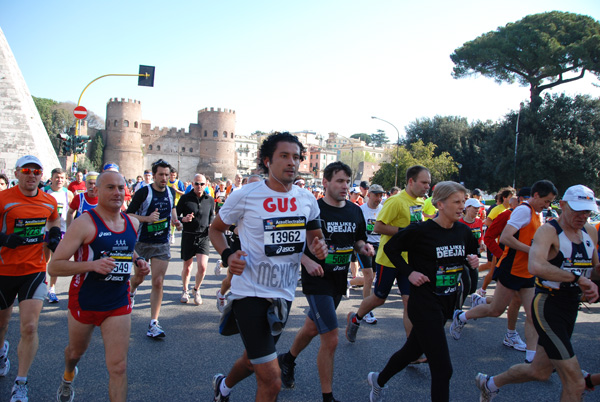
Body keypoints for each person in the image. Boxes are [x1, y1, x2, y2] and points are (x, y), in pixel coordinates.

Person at [208, 132, 327, 402]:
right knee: (272, 380)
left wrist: (320, 248)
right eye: (284, 156)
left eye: (296, 157)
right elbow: (215, 230)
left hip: (283, 295)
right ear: (267, 161)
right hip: (249, 293)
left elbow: (316, 239)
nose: (292, 163)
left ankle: (223, 386)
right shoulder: (245, 195)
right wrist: (228, 255)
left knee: (252, 361)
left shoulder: (307, 199)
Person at [476, 184, 600, 402]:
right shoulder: (549, 231)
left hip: (571, 307)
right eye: (578, 210)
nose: (583, 216)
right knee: (575, 383)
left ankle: (490, 383)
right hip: (548, 305)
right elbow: (536, 266)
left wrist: (591, 281)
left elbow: (594, 267)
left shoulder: (590, 231)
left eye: (587, 211)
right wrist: (577, 278)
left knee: (539, 371)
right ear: (562, 206)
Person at [367, 181, 479, 402]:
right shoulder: (421, 231)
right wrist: (409, 272)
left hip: (446, 302)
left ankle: (378, 380)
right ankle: (378, 381)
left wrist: (471, 260)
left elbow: (469, 255)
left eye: (463, 202)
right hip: (424, 303)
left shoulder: (463, 231)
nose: (461, 207)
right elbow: (390, 248)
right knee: (443, 369)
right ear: (440, 204)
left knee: (410, 352)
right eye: (456, 202)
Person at [49, 171, 150, 402]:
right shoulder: (84, 223)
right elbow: (55, 267)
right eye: (110, 187)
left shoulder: (132, 223)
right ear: (96, 191)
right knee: (75, 353)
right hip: (85, 300)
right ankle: (67, 376)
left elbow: (124, 247)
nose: (117, 193)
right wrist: (92, 265)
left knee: (119, 367)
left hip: (117, 301)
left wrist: (138, 261)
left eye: (120, 188)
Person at [278, 162, 373, 402]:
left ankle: (287, 359)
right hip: (317, 278)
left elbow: (358, 241)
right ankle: (327, 397)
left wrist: (365, 247)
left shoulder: (355, 210)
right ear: (326, 182)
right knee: (331, 338)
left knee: (311, 327)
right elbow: (292, 241)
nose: (345, 186)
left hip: (339, 280)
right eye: (339, 181)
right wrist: (306, 262)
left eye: (347, 182)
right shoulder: (314, 209)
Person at [450, 180, 558, 365]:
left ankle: (531, 358)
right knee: (496, 310)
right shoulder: (523, 210)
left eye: (550, 203)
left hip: (527, 271)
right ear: (536, 195)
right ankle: (462, 316)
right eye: (546, 201)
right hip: (512, 268)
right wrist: (531, 251)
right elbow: (506, 238)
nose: (547, 206)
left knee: (532, 314)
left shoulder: (537, 214)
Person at [346, 165, 430, 344]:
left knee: (409, 303)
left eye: (428, 183)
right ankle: (356, 317)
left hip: (408, 261)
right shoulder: (395, 201)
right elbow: (378, 227)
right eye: (423, 182)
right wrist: (405, 231)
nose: (427, 187)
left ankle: (412, 348)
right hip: (389, 259)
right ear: (411, 181)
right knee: (379, 298)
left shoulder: (420, 202)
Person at [0, 155, 61, 402]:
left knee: (30, 326)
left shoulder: (48, 201)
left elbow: (54, 218)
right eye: (26, 170)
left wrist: (55, 233)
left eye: (36, 171)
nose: (31, 175)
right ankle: (3, 351)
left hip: (34, 270)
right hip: (4, 270)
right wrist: (4, 239)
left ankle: (21, 382)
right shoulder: (4, 199)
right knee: (2, 325)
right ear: (17, 173)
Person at [127, 160, 182, 338]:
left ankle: (154, 323)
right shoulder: (144, 192)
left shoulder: (171, 192)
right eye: (161, 175)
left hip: (161, 243)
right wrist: (147, 219)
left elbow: (172, 209)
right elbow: (128, 215)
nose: (164, 178)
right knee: (139, 277)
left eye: (167, 175)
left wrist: (176, 221)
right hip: (142, 242)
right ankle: (132, 290)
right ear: (154, 175)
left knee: (158, 282)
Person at [176, 174, 214, 305]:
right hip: (188, 235)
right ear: (193, 184)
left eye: (202, 184)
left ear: (206, 185)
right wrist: (183, 219)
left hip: (203, 236)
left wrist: (211, 225)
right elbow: (176, 217)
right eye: (197, 183)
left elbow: (211, 216)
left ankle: (196, 289)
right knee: (187, 267)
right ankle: (185, 290)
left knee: (203, 267)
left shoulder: (210, 200)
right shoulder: (185, 199)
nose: (199, 186)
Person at [354, 184, 385, 324]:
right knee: (368, 275)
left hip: (379, 246)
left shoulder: (383, 209)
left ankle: (349, 282)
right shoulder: (361, 210)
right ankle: (366, 311)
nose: (379, 198)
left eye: (381, 195)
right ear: (369, 195)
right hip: (364, 245)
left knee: (372, 277)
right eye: (376, 195)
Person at [43, 168, 74, 303]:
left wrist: (70, 230)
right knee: (44, 260)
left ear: (65, 179)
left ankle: (52, 289)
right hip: (45, 230)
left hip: (60, 230)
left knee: (55, 260)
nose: (59, 180)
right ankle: (42, 284)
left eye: (62, 178)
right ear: (52, 178)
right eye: (57, 177)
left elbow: (71, 212)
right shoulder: (44, 191)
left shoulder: (68, 194)